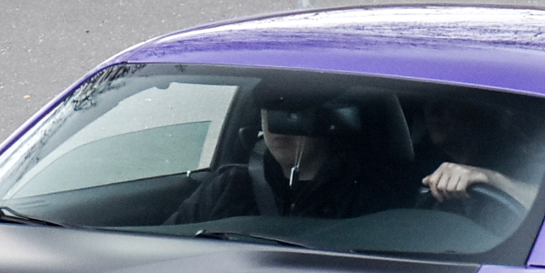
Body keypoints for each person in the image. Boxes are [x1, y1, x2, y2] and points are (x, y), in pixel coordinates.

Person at [170, 95, 408, 223]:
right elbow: (169, 245)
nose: (278, 127)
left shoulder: (369, 196)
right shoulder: (228, 186)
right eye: (270, 113)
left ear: (326, 121)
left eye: (292, 114)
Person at [414, 96, 545, 224]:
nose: (434, 112)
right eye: (429, 104)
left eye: (447, 104)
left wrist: (490, 178)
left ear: (482, 113)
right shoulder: (418, 159)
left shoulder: (526, 158)